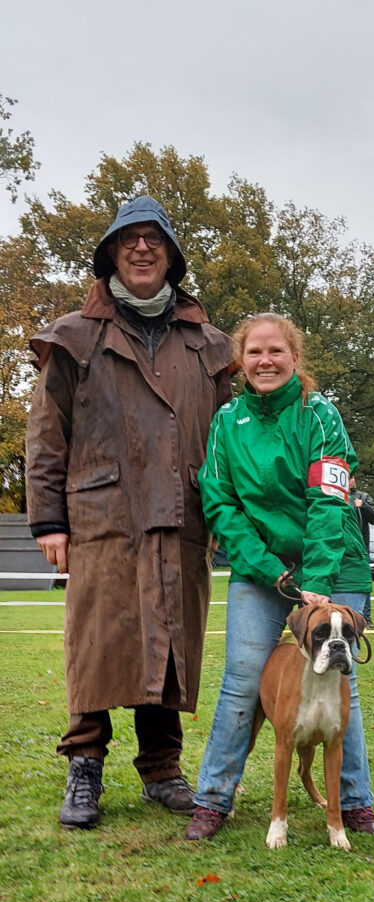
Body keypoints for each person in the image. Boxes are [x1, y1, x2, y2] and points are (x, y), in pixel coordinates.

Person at [25, 196, 234, 829]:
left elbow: (233, 439)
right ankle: (83, 769)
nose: (142, 248)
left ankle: (163, 771)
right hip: (101, 518)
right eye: (129, 240)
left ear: (171, 255)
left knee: (168, 644)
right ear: (112, 253)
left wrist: (234, 516)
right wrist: (48, 520)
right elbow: (46, 434)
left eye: (154, 240)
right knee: (95, 646)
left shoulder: (211, 345)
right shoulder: (74, 336)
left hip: (181, 514)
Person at [185, 312, 374, 842]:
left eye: (276, 351)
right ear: (241, 361)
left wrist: (317, 579)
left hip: (334, 562)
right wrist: (270, 570)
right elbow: (220, 500)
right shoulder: (228, 423)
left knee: (344, 680)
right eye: (255, 352)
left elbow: (328, 500)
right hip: (263, 570)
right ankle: (212, 800)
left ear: (294, 358)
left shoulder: (321, 415)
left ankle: (355, 803)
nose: (266, 361)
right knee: (240, 682)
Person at [348, 476, 374, 627]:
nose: (350, 481)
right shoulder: (331, 495)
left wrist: (364, 506)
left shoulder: (363, 496)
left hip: (360, 548)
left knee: (363, 582)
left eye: (352, 477)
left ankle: (366, 617)